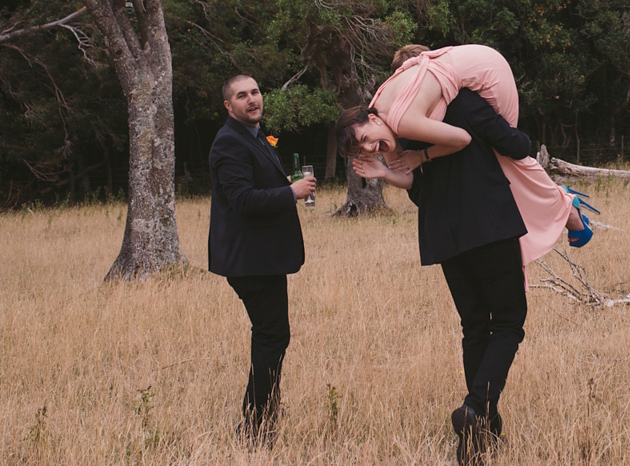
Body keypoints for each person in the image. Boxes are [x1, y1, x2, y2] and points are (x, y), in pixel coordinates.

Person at [351, 89, 530, 466]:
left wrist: (391, 170)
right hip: (488, 226)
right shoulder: (462, 105)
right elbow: (516, 145)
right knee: (510, 323)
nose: (372, 146)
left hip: (445, 238)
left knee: (476, 326)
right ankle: (476, 407)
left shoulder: (406, 134)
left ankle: (479, 438)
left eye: (367, 141)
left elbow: (424, 194)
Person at [335, 44, 597, 268]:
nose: (368, 149)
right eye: (361, 149)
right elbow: (410, 178)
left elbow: (512, 146)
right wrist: (384, 172)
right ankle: (559, 203)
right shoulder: (391, 126)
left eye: (365, 141)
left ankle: (563, 203)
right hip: (463, 218)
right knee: (501, 160)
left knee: (507, 158)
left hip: (491, 68)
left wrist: (422, 156)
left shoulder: (452, 107)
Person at [208, 74, 317, 446]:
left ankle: (263, 413)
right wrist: (290, 192)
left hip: (264, 257)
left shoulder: (254, 136)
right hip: (248, 260)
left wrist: (281, 185)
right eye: (242, 95)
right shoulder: (228, 143)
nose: (252, 99)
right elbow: (242, 200)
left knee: (273, 334)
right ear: (228, 106)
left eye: (255, 92)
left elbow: (255, 187)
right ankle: (255, 425)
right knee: (271, 335)